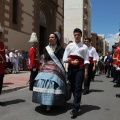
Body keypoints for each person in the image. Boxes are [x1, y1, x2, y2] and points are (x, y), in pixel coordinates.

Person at [32, 32, 65, 111]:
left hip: (56, 66)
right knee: (40, 79)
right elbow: (44, 60)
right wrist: (41, 67)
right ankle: (42, 99)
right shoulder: (46, 48)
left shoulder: (61, 49)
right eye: (49, 37)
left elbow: (62, 60)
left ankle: (52, 101)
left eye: (52, 37)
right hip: (47, 66)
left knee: (53, 80)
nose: (50, 38)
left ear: (56, 39)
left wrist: (63, 69)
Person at [63, 28, 89, 117]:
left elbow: (86, 60)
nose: (76, 36)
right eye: (75, 35)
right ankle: (76, 101)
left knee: (78, 87)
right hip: (71, 68)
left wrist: (86, 71)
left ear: (81, 36)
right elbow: (64, 58)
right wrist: (71, 62)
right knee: (73, 87)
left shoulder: (84, 47)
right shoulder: (69, 46)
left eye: (78, 35)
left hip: (80, 69)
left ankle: (75, 108)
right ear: (73, 35)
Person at [0, 28, 6, 105]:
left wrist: (5, 66)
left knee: (0, 84)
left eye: (0, 34)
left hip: (1, 67)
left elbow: (4, 56)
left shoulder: (2, 44)